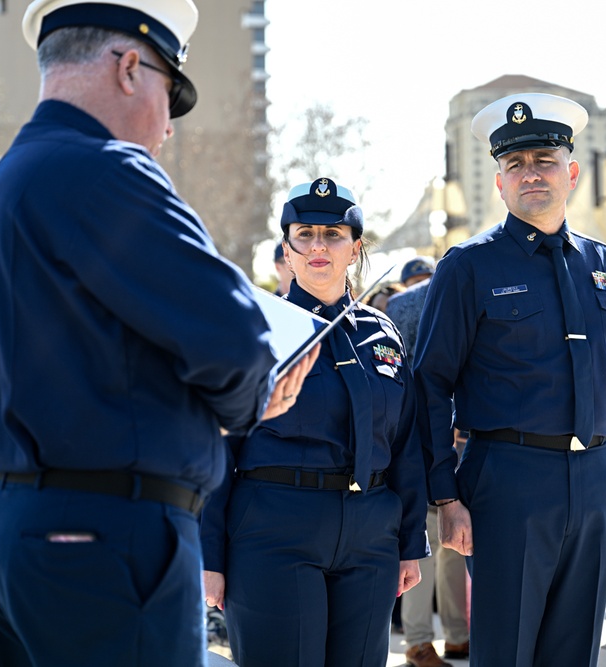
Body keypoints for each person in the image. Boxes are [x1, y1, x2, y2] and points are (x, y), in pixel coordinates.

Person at [0, 1, 316, 665]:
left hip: (16, 528)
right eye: (169, 95)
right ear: (126, 68)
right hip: (104, 534)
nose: (168, 127)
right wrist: (256, 400)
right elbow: (236, 341)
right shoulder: (107, 168)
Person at [414, 92, 606, 666]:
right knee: (506, 651)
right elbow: (430, 383)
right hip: (508, 482)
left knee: (575, 652)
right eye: (514, 164)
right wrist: (445, 493)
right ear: (499, 184)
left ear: (570, 172)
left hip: (596, 481)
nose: (530, 174)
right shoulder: (467, 267)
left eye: (543, 159)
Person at [200, 178, 428, 667]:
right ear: (288, 249)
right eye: (305, 234)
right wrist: (209, 557)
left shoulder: (382, 333)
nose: (319, 246)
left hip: (371, 538)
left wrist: (410, 543)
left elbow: (406, 445)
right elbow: (219, 449)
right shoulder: (259, 330)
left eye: (334, 234)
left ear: (356, 247)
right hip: (274, 532)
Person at [387, 256, 469, 667]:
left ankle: (434, 639)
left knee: (437, 542)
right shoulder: (456, 293)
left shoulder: (397, 307)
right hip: (446, 437)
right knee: (442, 542)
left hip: (418, 437)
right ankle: (433, 640)